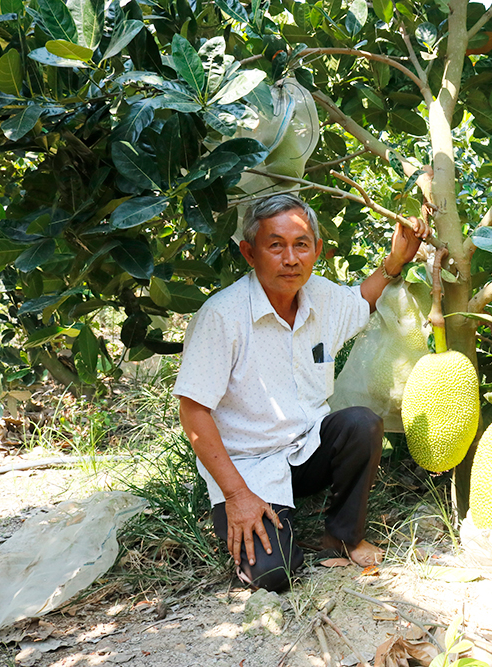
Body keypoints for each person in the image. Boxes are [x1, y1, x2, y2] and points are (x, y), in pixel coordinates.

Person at [174, 193, 429, 591]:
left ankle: (343, 536)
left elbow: (363, 299)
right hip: (248, 467)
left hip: (307, 448)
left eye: (301, 245)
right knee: (273, 576)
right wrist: (237, 494)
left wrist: (397, 261)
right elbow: (193, 412)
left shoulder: (322, 298)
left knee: (360, 423)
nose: (290, 259)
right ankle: (263, 513)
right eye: (275, 245)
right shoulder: (223, 316)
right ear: (249, 252)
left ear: (317, 251)